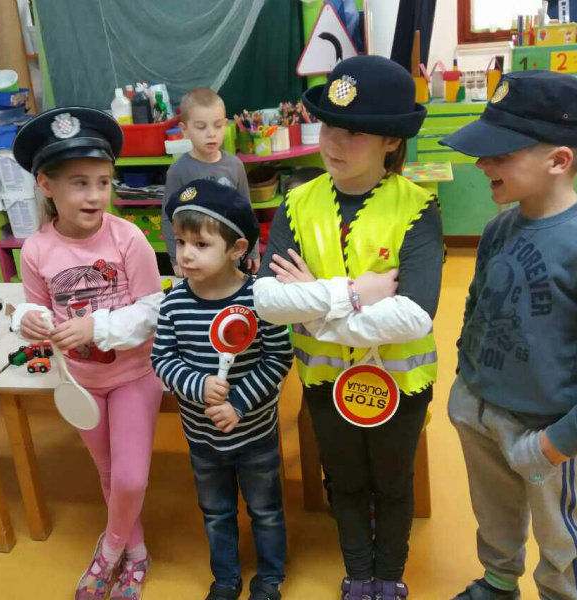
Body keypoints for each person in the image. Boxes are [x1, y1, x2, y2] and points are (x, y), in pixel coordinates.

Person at [438, 70, 577, 600]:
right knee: (493, 513)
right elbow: (478, 304)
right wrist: (466, 386)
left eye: (499, 154)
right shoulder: (498, 228)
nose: (481, 164)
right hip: (480, 410)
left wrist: (559, 443)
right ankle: (497, 583)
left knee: (559, 538)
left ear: (558, 161)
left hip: (545, 430)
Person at [253, 55, 444, 600]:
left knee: (393, 482)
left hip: (400, 384)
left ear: (391, 140)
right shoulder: (297, 202)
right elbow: (267, 301)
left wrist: (315, 311)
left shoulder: (418, 206)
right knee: (345, 480)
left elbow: (414, 314)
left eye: (355, 132)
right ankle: (359, 574)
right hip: (324, 382)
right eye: (329, 125)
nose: (334, 142)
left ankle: (390, 574)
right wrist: (354, 295)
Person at [10, 107, 164, 600]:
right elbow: (34, 305)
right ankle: (136, 553)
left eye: (102, 182)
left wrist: (96, 326)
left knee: (131, 477)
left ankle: (110, 550)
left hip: (134, 375)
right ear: (46, 185)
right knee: (109, 474)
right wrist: (27, 320)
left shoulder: (129, 238)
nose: (95, 195)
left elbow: (153, 310)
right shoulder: (36, 249)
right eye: (80, 183)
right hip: (79, 384)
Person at [151, 179, 293, 600]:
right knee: (216, 512)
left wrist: (238, 404)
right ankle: (226, 579)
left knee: (266, 511)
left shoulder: (261, 299)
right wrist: (198, 385)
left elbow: (278, 358)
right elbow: (162, 359)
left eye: (201, 244)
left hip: (255, 434)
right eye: (180, 242)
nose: (185, 254)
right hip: (202, 437)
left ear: (237, 248)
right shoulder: (173, 303)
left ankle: (270, 578)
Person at [161, 88, 258, 276]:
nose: (211, 134)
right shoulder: (178, 171)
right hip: (196, 261)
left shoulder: (235, 165)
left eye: (218, 126)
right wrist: (175, 258)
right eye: (201, 127)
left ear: (226, 125)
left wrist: (252, 250)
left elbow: (246, 211)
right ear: (184, 130)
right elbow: (168, 217)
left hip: (231, 259)